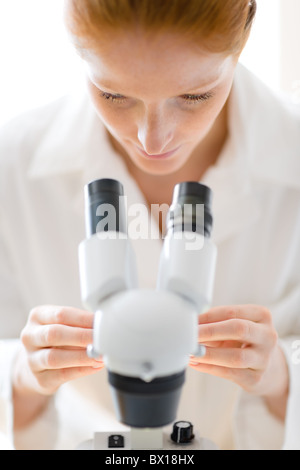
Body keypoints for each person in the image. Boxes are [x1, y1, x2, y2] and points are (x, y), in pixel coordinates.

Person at [0, 0, 299, 450]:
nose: (151, 139)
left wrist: (281, 378)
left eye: (194, 96)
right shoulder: (13, 167)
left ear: (243, 41)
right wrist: (21, 378)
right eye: (114, 95)